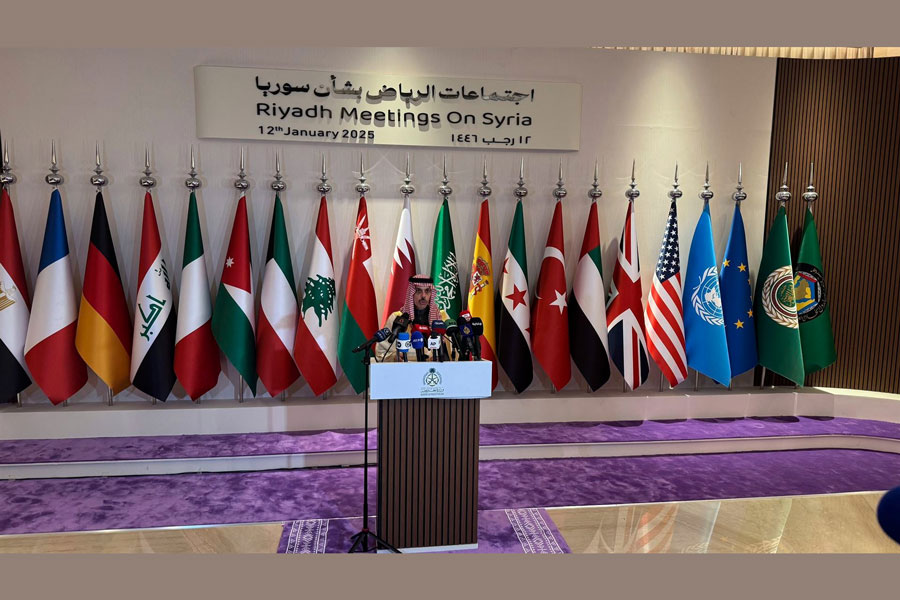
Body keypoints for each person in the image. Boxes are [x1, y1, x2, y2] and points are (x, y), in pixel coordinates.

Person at [377, 274, 448, 361]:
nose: (423, 296)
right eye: (418, 291)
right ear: (411, 294)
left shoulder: (441, 318)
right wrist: (395, 357)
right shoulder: (397, 318)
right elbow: (381, 352)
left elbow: (452, 351)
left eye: (427, 291)